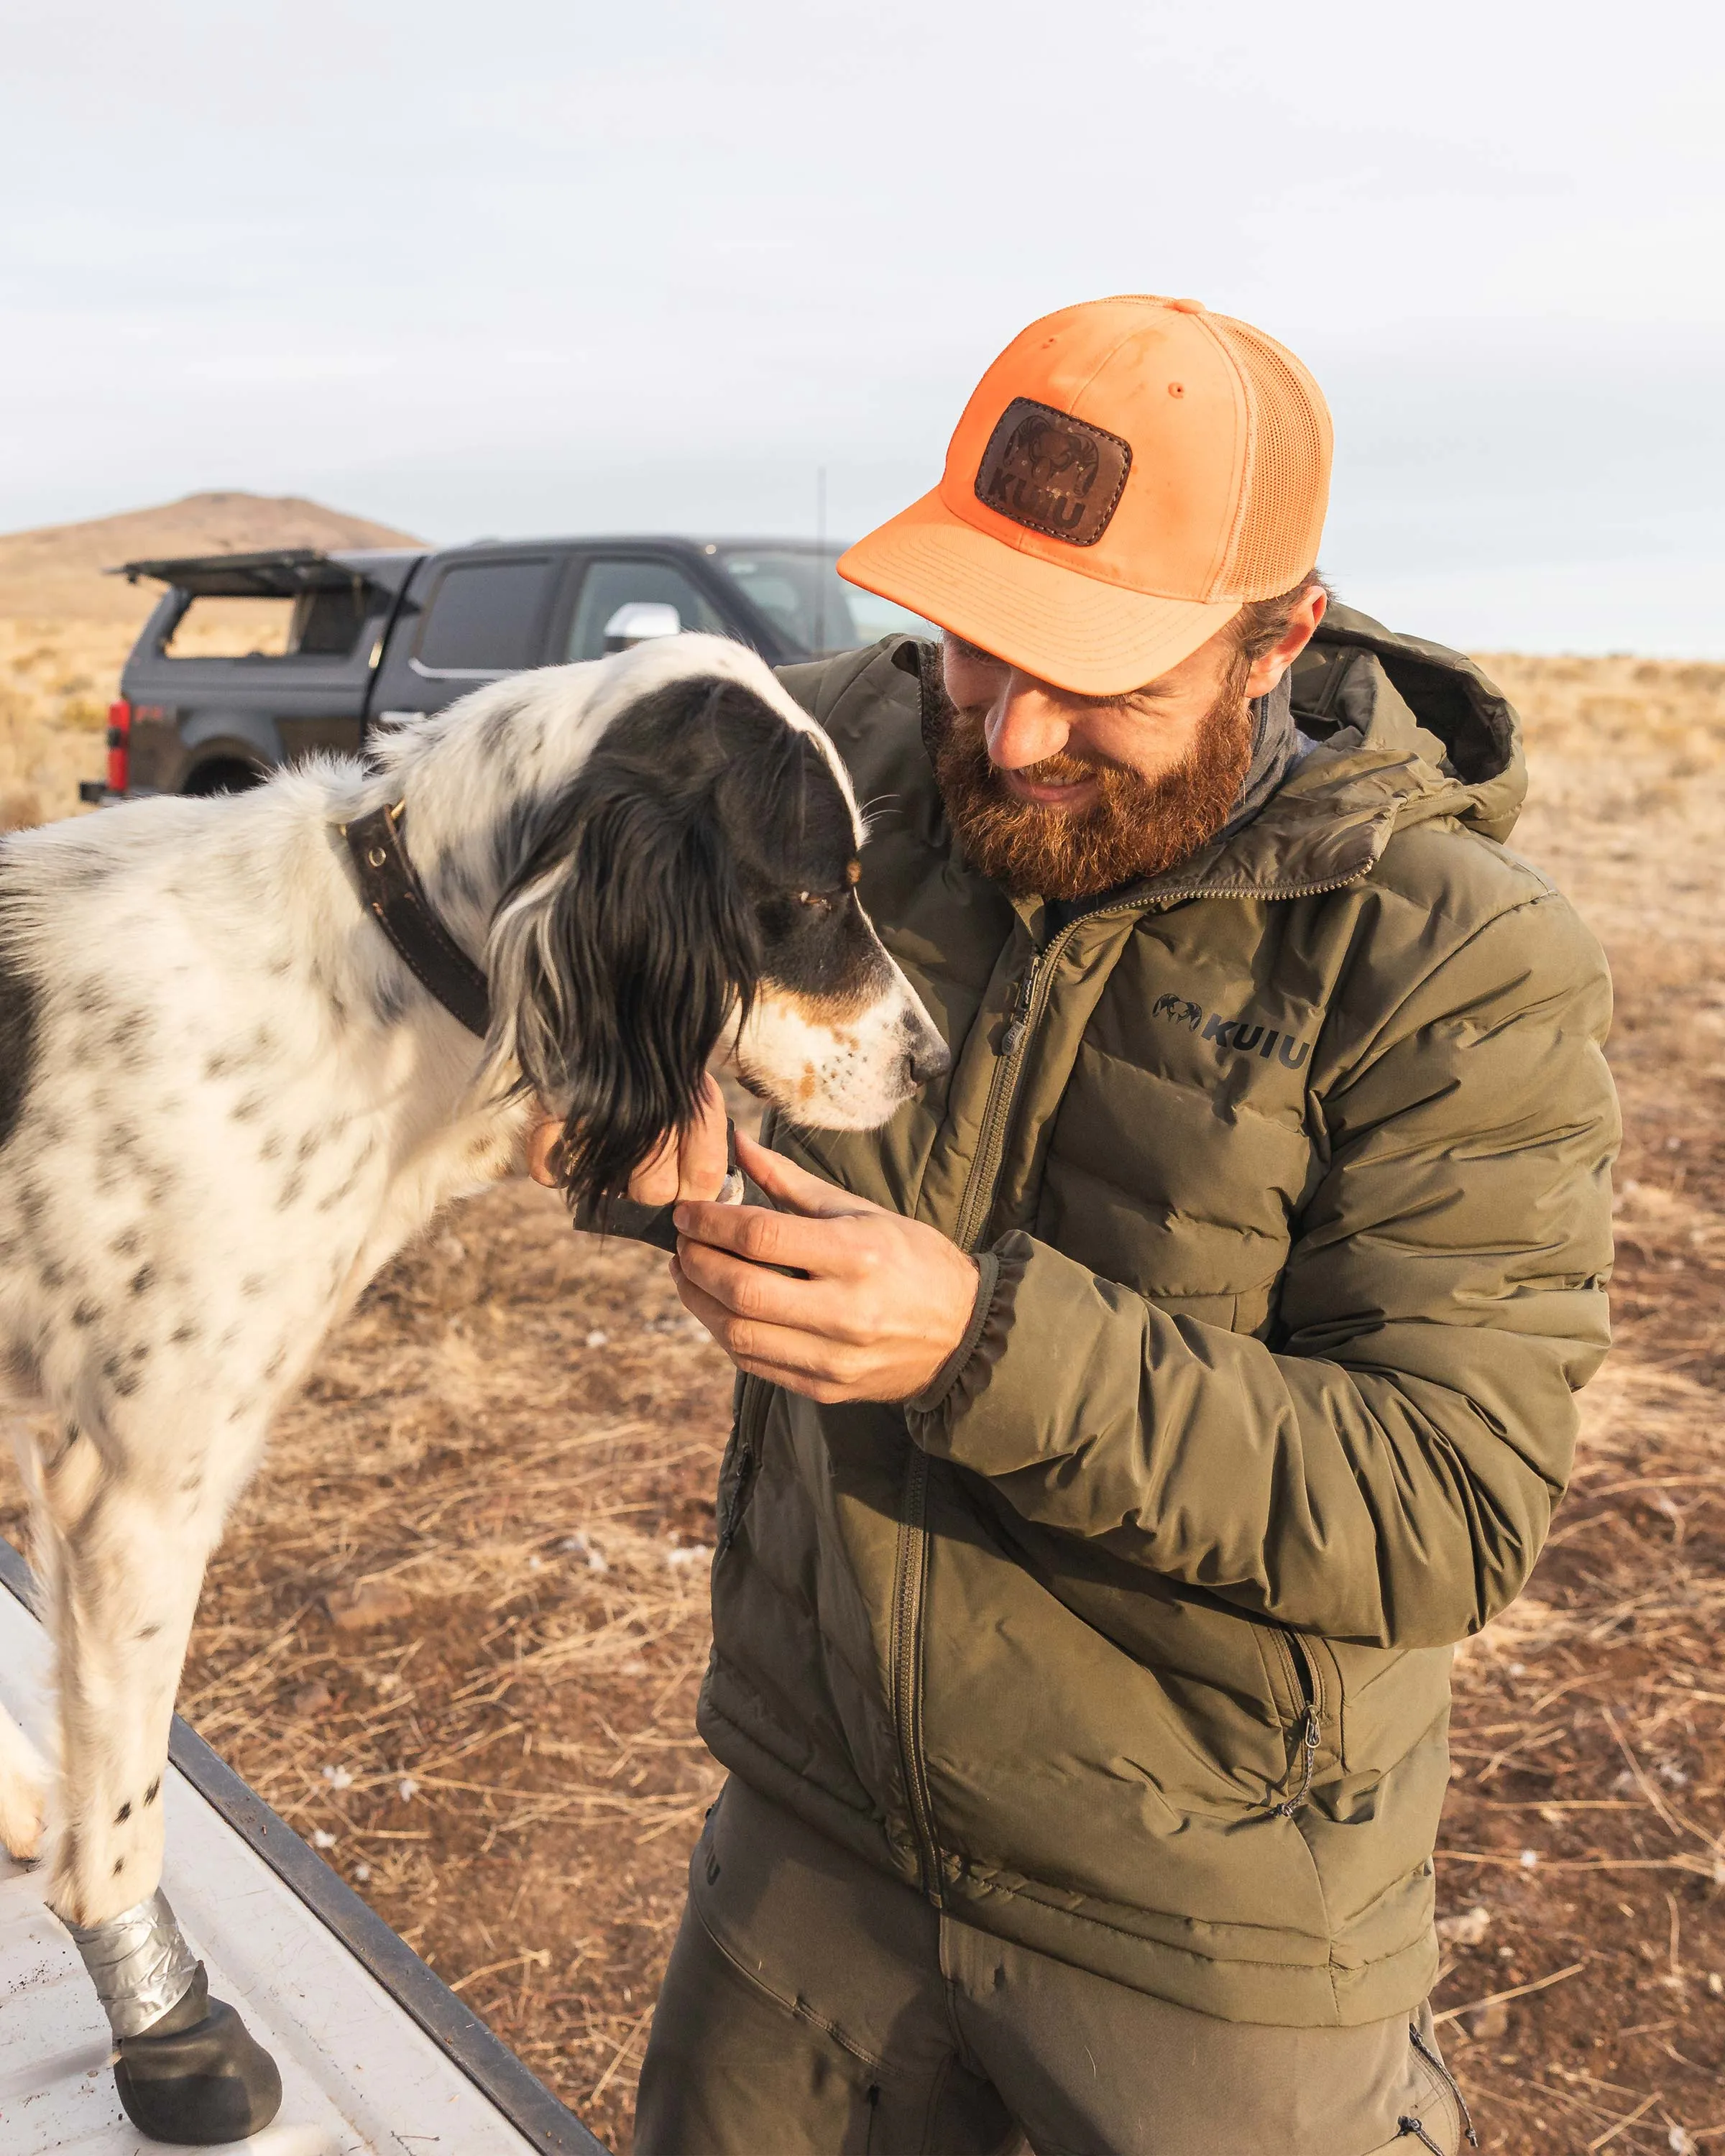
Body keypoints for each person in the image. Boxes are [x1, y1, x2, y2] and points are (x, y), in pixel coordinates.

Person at [531, 295, 1618, 2154]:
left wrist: (977, 1344)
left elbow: (1445, 1505)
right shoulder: (860, 759)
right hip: (816, 1826)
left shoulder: (1453, 955)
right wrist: (648, 1161)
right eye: (978, 643)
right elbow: (669, 1047)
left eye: (1099, 674)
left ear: (1277, 637)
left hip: (1207, 1924)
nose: (1015, 728)